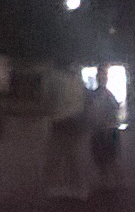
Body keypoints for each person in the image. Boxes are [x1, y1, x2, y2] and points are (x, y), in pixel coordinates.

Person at [43, 62, 89, 200]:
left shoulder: (53, 76)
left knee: (56, 154)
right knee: (74, 155)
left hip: (60, 119)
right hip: (75, 119)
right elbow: (82, 99)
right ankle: (78, 187)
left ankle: (56, 185)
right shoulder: (77, 78)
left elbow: (47, 98)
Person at [87, 77, 122, 191]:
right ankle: (109, 182)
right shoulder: (104, 95)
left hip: (105, 130)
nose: (101, 80)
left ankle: (112, 183)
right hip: (102, 130)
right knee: (102, 159)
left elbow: (111, 112)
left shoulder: (104, 95)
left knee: (108, 158)